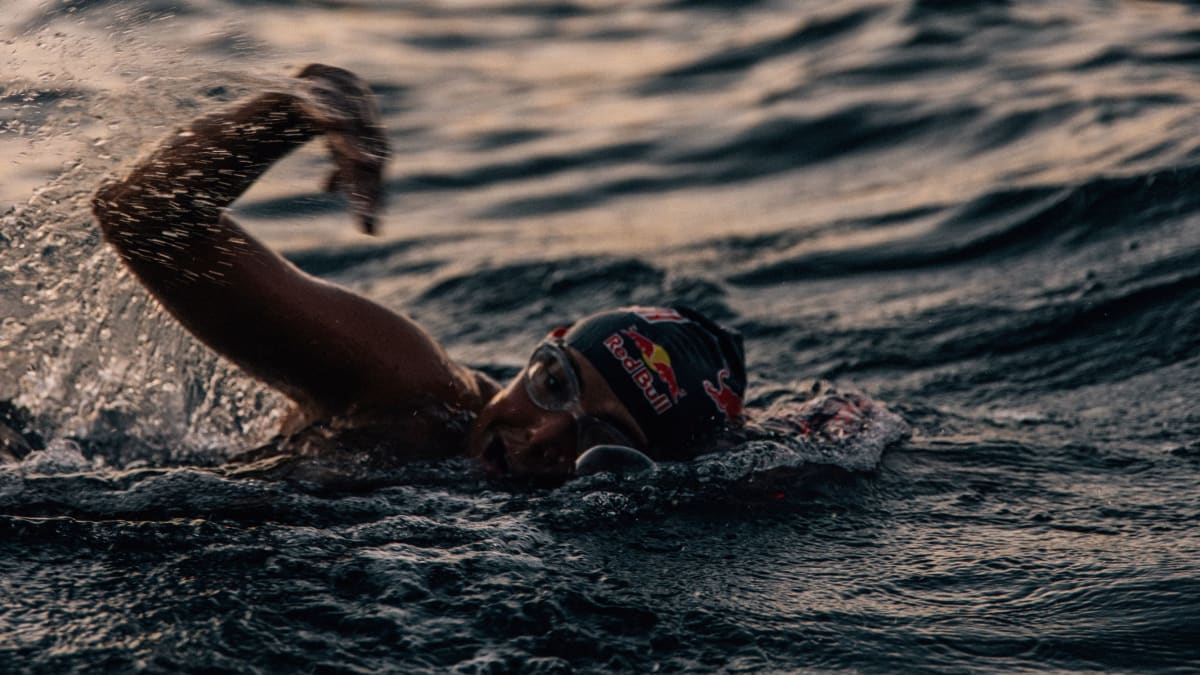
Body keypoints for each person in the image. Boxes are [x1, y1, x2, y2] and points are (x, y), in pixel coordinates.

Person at [91, 64, 747, 482]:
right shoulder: (409, 391)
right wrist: (293, 110)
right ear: (539, 348)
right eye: (552, 383)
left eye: (600, 438)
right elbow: (142, 217)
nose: (544, 433)